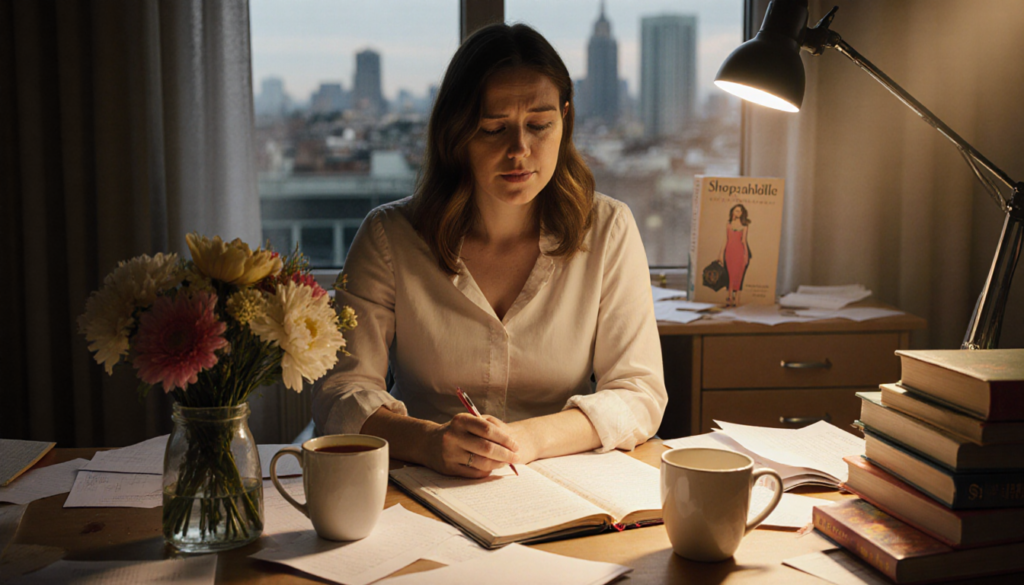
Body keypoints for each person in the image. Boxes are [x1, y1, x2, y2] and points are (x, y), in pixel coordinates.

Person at [313, 23, 666, 478]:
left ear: (565, 119)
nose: (520, 150)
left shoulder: (609, 230)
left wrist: (528, 440)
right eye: (494, 128)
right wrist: (428, 441)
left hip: (562, 483)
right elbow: (340, 392)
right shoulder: (390, 237)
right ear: (456, 133)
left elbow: (639, 394)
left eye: (539, 125)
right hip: (421, 481)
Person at [718, 203, 751, 307]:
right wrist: (720, 254)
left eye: (740, 211)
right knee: (729, 275)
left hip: (739, 252)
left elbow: (744, 241)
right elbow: (725, 240)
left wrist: (746, 255)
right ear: (733, 211)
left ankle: (736, 300)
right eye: (737, 210)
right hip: (729, 252)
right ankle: (729, 299)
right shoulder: (728, 224)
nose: (738, 213)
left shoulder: (745, 226)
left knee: (738, 275)